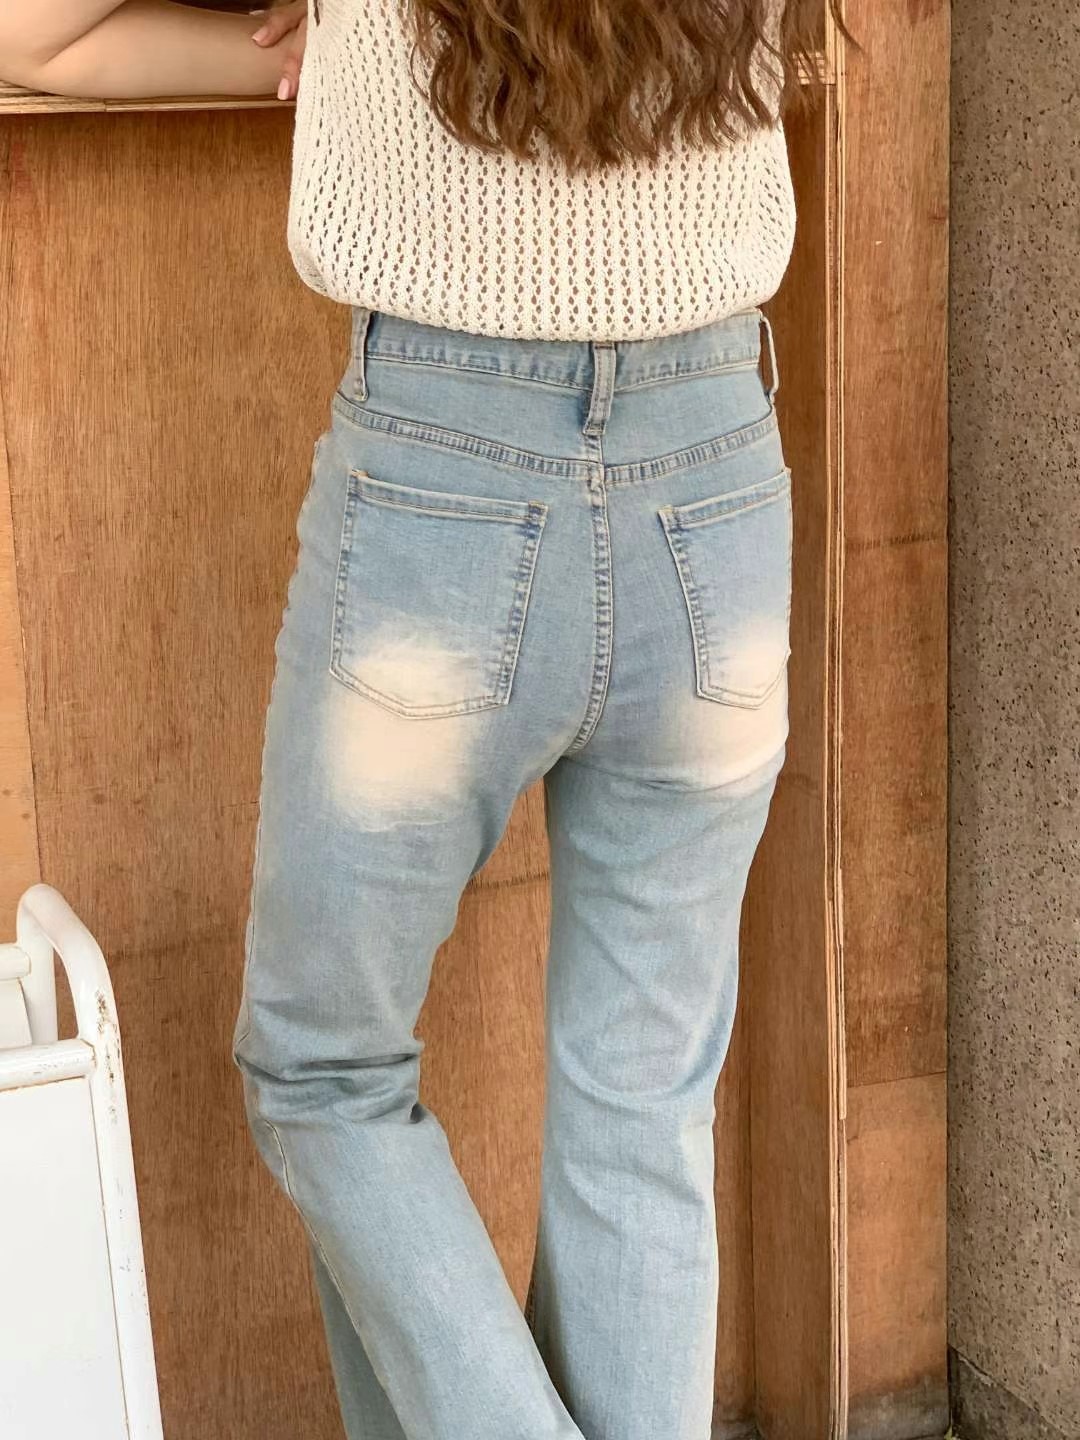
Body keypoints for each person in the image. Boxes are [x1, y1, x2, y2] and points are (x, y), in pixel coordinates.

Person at [1, 3, 854, 1437]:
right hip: (717, 492)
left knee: (325, 1070)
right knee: (643, 1103)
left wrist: (330, 43)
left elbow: (32, 31)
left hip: (445, 504)